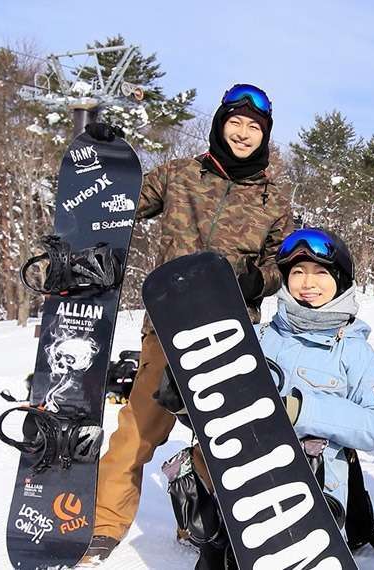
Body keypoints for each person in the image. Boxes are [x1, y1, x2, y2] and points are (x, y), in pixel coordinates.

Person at [84, 83, 293, 562]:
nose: (243, 134)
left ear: (265, 136)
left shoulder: (272, 199)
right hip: (168, 325)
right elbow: (121, 203)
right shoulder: (179, 175)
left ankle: (210, 525)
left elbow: (279, 267)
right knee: (137, 430)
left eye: (254, 127)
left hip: (229, 335)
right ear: (220, 124)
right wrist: (102, 159)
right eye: (236, 123)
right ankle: (103, 526)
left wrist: (252, 282)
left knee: (222, 441)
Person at [174, 227, 374, 568]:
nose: (308, 284)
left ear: (340, 280)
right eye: (297, 273)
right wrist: (183, 397)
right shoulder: (259, 337)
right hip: (245, 482)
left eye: (320, 273)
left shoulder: (353, 350)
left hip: (310, 494)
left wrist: (301, 409)